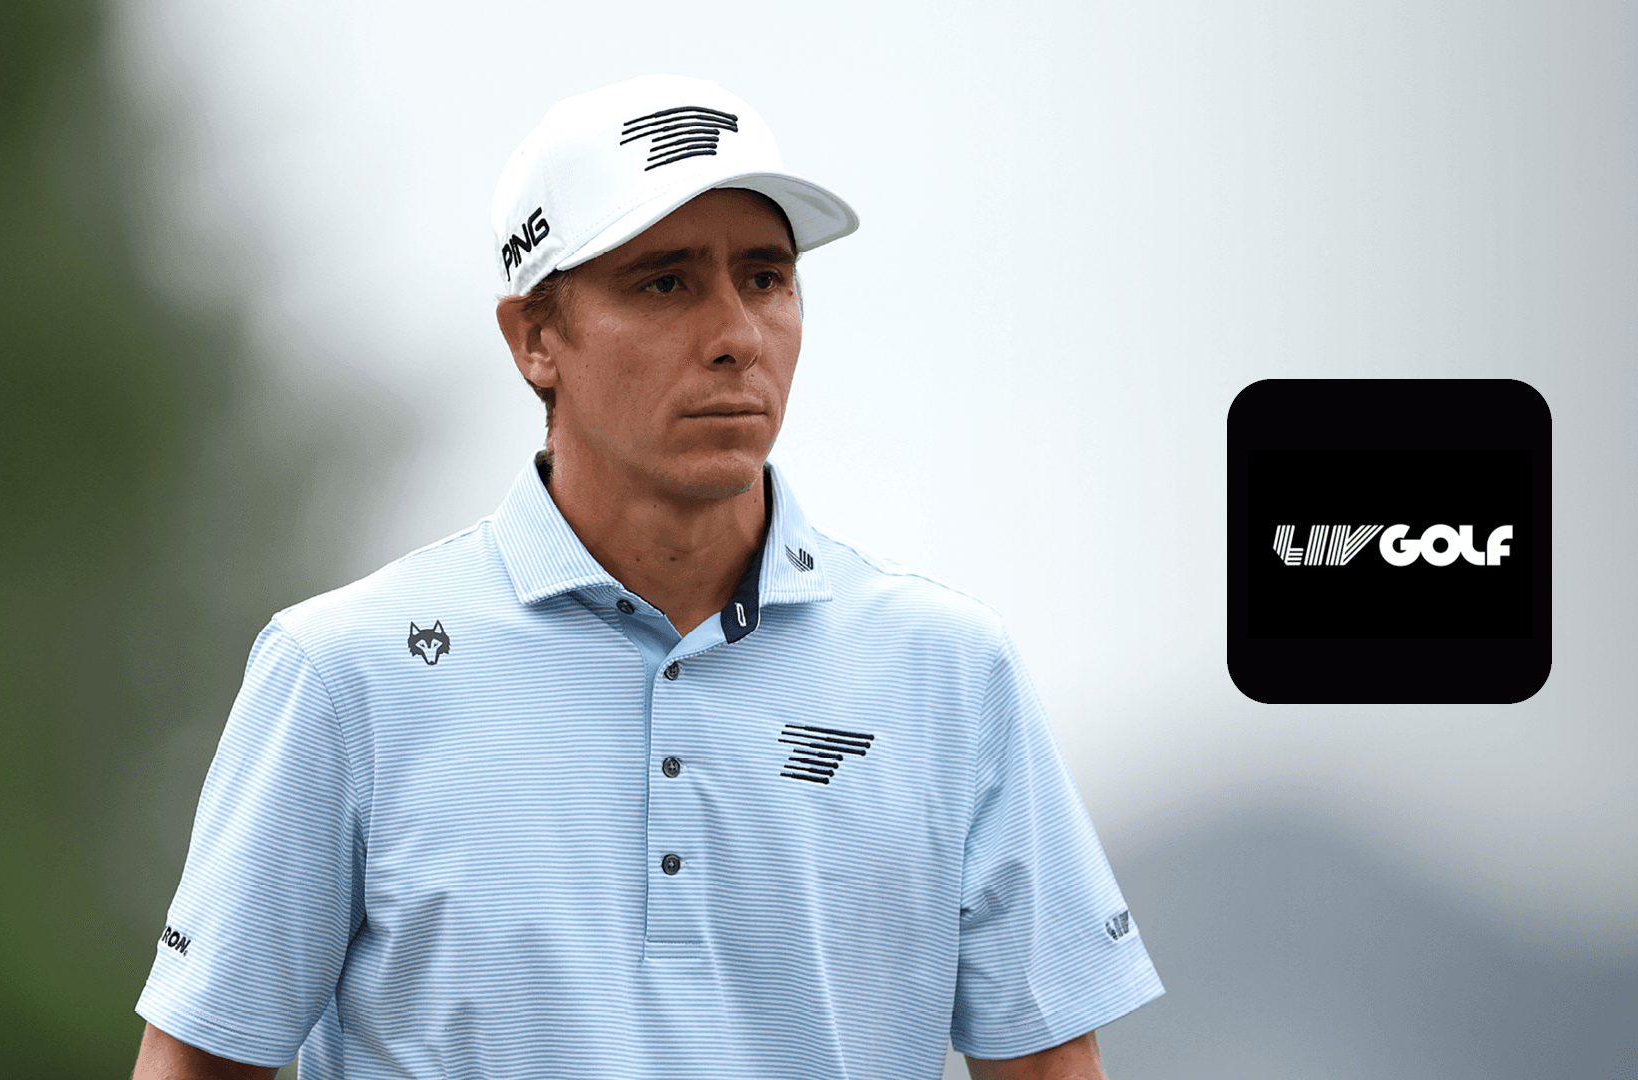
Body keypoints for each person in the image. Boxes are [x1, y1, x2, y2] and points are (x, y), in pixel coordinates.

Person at [132, 74, 1162, 1080]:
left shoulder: (948, 670)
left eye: (766, 278)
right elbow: (199, 1061)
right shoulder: (344, 673)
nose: (736, 338)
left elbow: (1048, 1064)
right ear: (537, 338)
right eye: (666, 283)